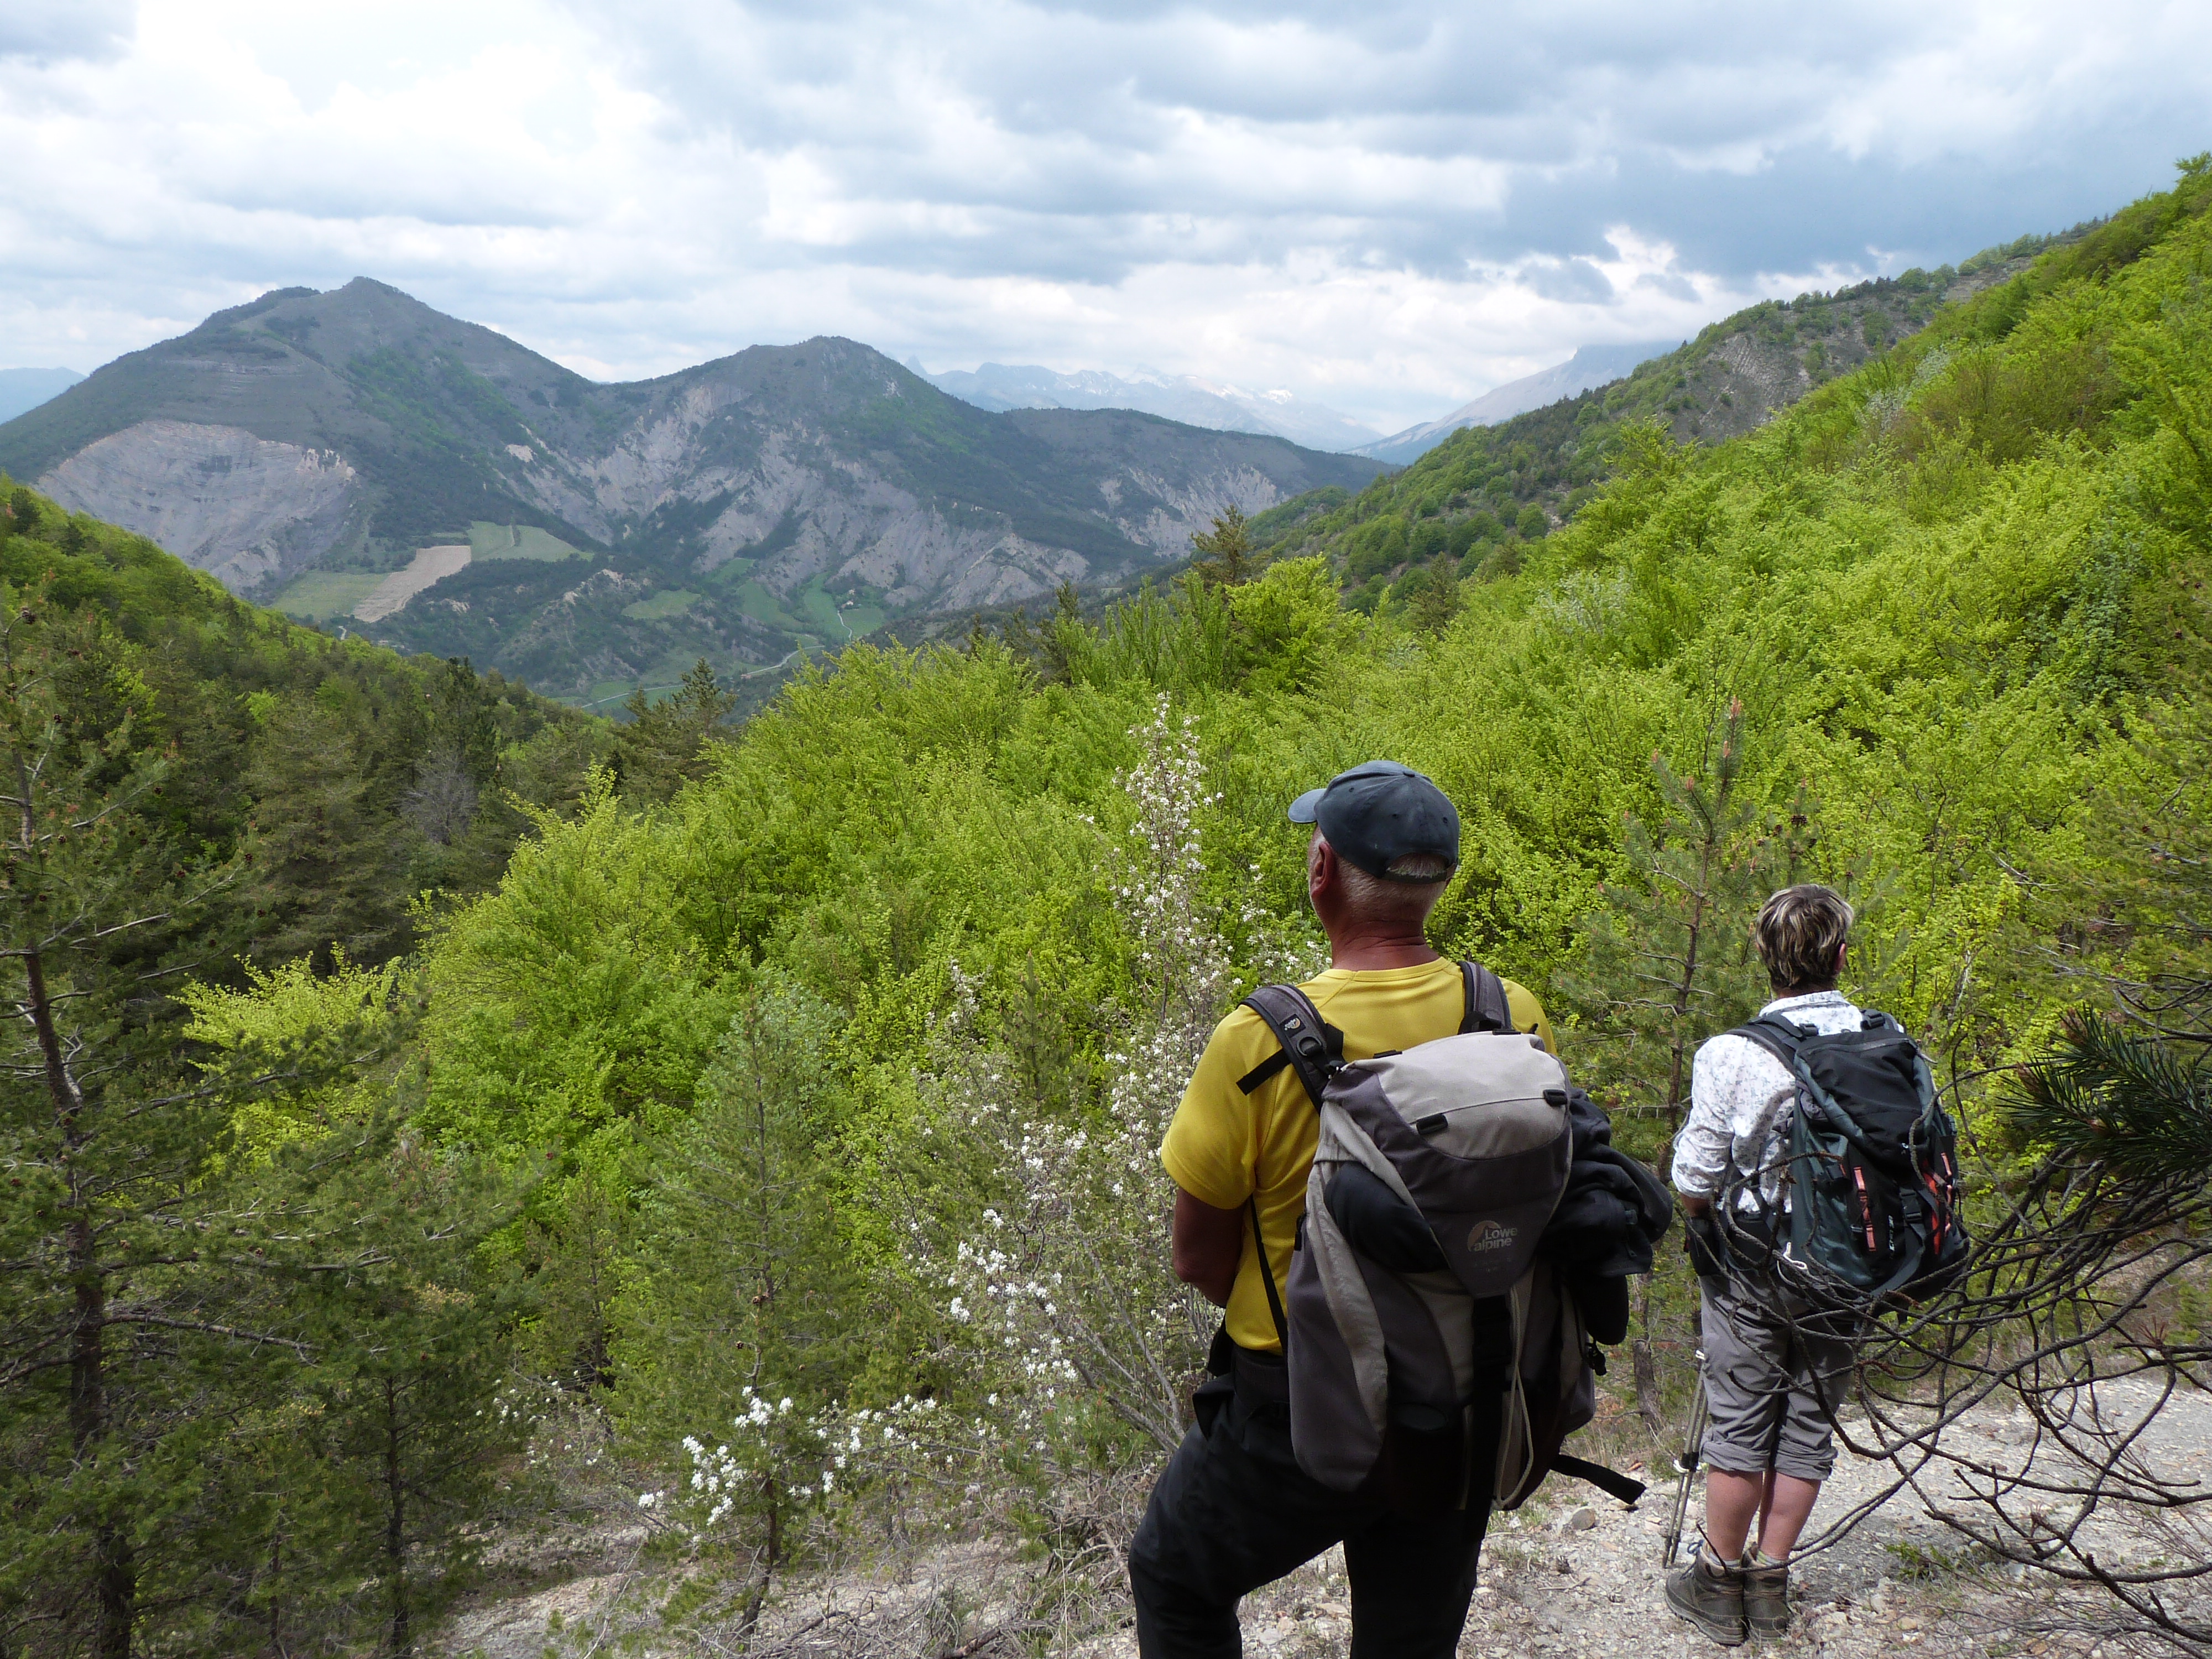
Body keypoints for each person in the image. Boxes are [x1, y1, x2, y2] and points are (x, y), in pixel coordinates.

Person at [1126, 760, 1556, 1659]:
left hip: (1296, 1402)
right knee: (1409, 1636)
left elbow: (1198, 1259)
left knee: (1174, 1572)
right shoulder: (1508, 1013)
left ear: (1321, 870)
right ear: (1439, 880)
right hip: (1468, 1377)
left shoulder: (1257, 1042)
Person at [1666, 884, 1865, 1646]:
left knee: (1742, 1423)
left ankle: (1718, 1583)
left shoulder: (1731, 1053)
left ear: (1765, 959)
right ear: (1842, 957)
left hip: (1752, 1270)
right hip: (1846, 1267)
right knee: (1809, 1421)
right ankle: (1772, 1581)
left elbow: (1693, 1182)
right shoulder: (1889, 1040)